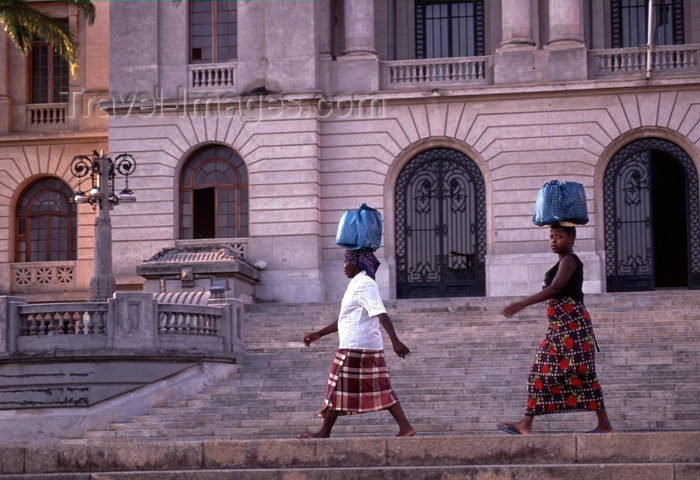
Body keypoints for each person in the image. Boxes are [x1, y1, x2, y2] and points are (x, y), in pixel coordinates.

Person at [497, 223, 613, 435]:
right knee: (541, 371)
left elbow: (556, 289)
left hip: (572, 328)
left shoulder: (570, 260)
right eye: (551, 236)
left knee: (580, 373)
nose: (553, 240)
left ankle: (603, 424)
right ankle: (526, 423)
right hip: (560, 328)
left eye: (558, 236)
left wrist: (521, 304)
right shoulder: (561, 262)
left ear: (571, 239)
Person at [298, 249, 416, 438]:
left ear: (357, 264)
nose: (343, 267)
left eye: (345, 262)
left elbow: (380, 312)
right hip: (362, 344)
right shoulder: (356, 283)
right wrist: (319, 333)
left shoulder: (365, 284)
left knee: (337, 386)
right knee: (379, 387)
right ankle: (405, 427)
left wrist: (395, 341)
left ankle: (324, 432)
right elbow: (345, 318)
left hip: (356, 345)